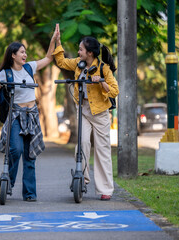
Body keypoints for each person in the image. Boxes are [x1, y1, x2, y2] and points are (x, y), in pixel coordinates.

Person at [0, 29, 58, 202]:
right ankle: (6, 183)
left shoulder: (29, 67)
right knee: (15, 150)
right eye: (22, 52)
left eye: (25, 52)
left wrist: (54, 39)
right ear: (13, 55)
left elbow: (49, 58)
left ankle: (29, 193)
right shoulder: (6, 74)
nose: (25, 54)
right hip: (16, 115)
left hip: (32, 114)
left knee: (30, 154)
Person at [52, 24, 119, 201]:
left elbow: (114, 90)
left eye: (81, 49)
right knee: (81, 144)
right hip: (82, 109)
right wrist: (58, 41)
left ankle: (105, 189)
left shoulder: (103, 68)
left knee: (102, 150)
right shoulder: (78, 64)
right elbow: (61, 61)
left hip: (100, 113)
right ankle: (82, 178)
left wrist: (101, 82)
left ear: (90, 52)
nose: (78, 52)